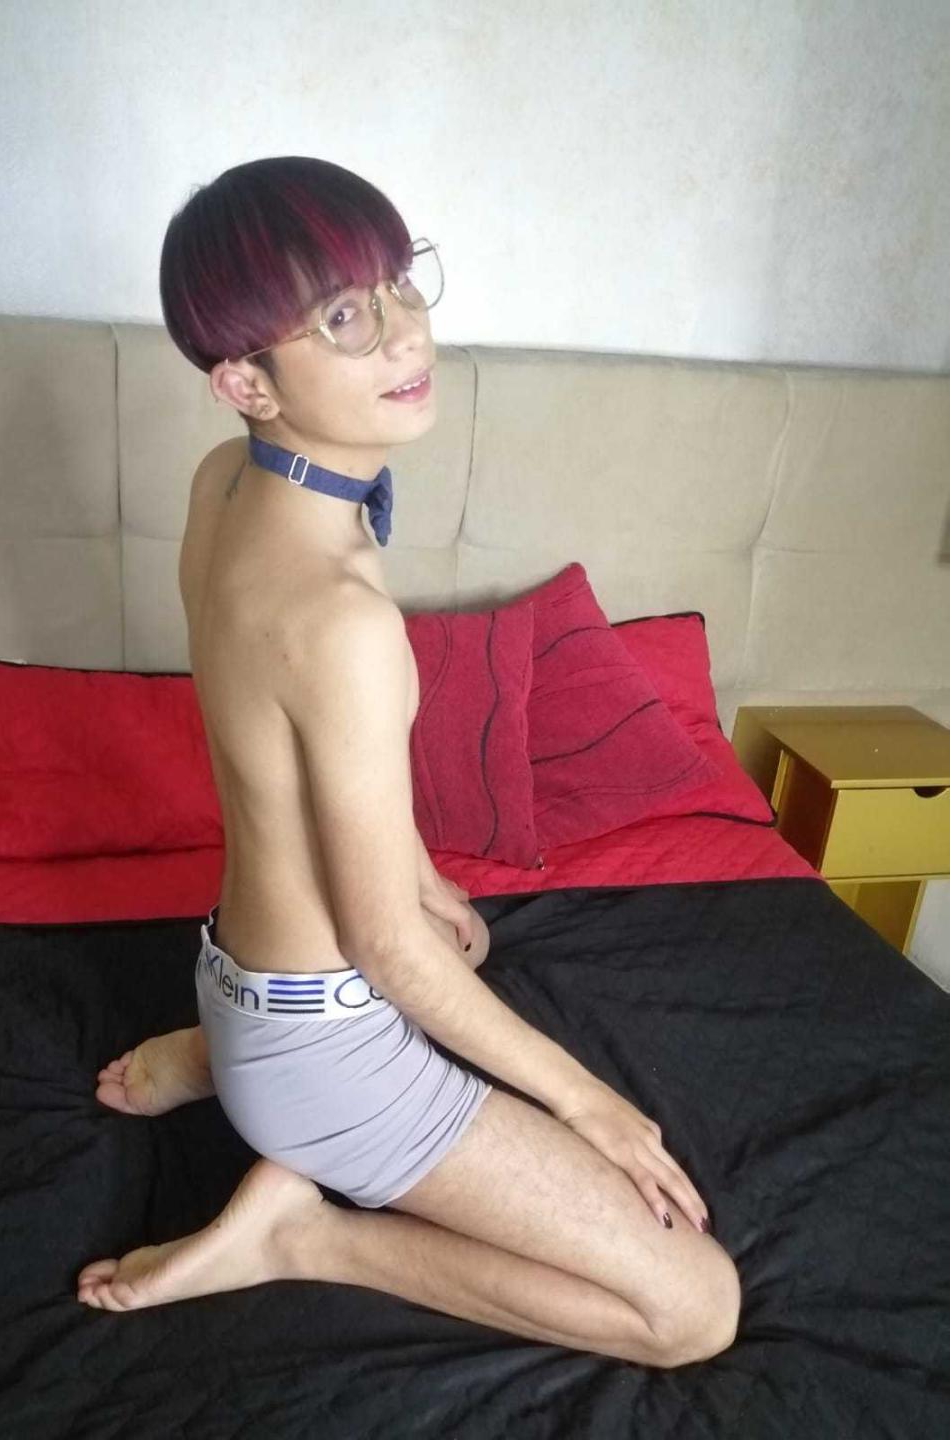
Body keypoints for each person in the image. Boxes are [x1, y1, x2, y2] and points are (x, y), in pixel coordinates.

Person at [75, 155, 740, 1365]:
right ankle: (305, 1234)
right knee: (694, 1312)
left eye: (397, 282)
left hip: (243, 977)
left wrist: (422, 876)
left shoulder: (228, 482)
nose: (405, 332)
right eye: (345, 317)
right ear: (247, 381)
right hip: (323, 1052)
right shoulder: (342, 622)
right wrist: (588, 1101)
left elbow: (280, 757)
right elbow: (384, 950)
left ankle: (224, 1061)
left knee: (458, 937)